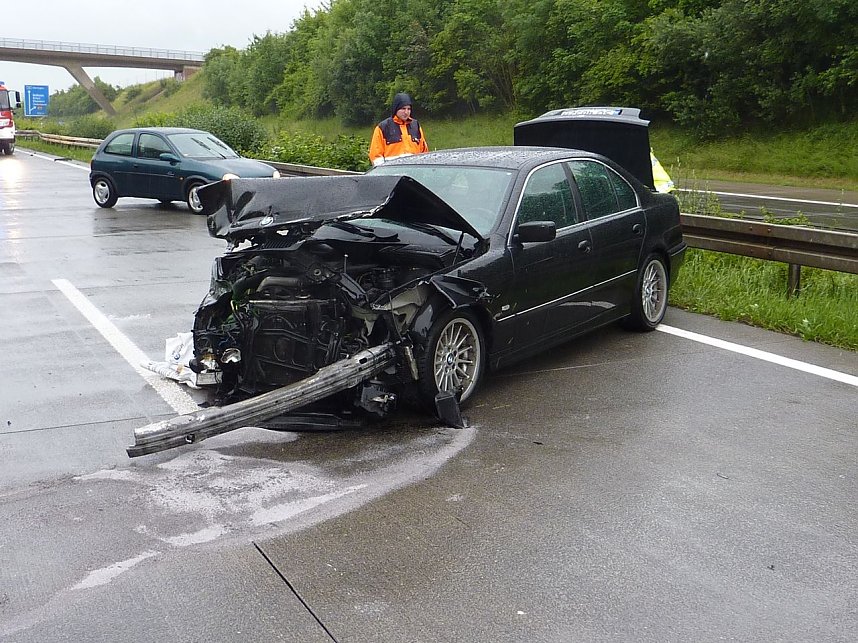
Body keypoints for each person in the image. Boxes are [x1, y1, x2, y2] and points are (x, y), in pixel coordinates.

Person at [368, 92, 429, 166]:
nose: (406, 112)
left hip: (414, 172)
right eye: (403, 109)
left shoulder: (415, 125)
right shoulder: (383, 127)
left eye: (409, 109)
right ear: (396, 108)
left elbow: (424, 152)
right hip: (391, 173)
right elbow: (376, 156)